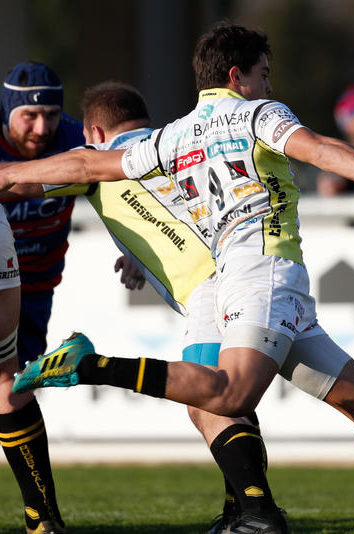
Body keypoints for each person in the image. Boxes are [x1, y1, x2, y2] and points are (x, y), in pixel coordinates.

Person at [3, 23, 354, 534]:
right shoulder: (258, 114)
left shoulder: (174, 134)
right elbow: (314, 147)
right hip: (266, 273)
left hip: (252, 284)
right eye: (264, 74)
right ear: (237, 76)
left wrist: (7, 175)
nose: (269, 86)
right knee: (229, 398)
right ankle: (90, 366)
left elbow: (93, 168)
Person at [7, 79, 287, 533]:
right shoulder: (173, 146)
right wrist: (140, 252)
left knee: (210, 401)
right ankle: (245, 510)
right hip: (250, 272)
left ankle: (258, 513)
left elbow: (18, 187)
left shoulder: (97, 162)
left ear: (94, 132)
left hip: (206, 287)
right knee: (229, 395)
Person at [0, 61, 84, 534]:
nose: (41, 127)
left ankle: (41, 517)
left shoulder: (72, 140)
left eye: (50, 115)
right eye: (29, 116)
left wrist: (135, 252)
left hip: (32, 290)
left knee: (13, 390)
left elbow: (114, 192)